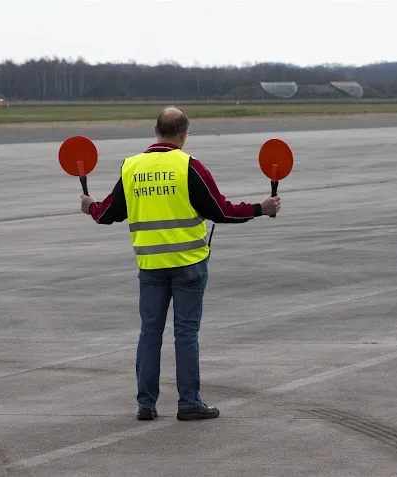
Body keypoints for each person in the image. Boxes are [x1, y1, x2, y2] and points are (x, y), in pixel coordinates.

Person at [80, 107, 281, 421]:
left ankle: (145, 404)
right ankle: (188, 403)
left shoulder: (131, 167)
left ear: (156, 131)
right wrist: (261, 207)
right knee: (186, 335)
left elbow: (108, 213)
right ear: (184, 134)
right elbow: (221, 211)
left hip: (150, 265)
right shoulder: (190, 166)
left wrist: (90, 206)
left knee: (150, 333)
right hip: (189, 264)